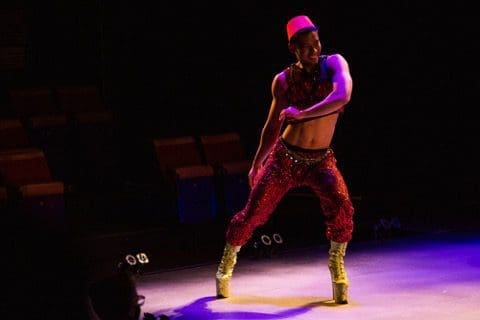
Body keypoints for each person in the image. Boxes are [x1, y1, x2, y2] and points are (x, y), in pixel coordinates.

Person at [215, 15, 354, 304]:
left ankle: (336, 263)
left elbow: (343, 95)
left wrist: (302, 114)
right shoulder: (283, 81)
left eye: (316, 44)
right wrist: (257, 163)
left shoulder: (334, 64)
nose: (314, 51)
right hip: (286, 159)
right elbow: (271, 127)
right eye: (306, 47)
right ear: (293, 49)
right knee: (254, 213)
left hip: (321, 160)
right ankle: (227, 262)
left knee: (341, 206)